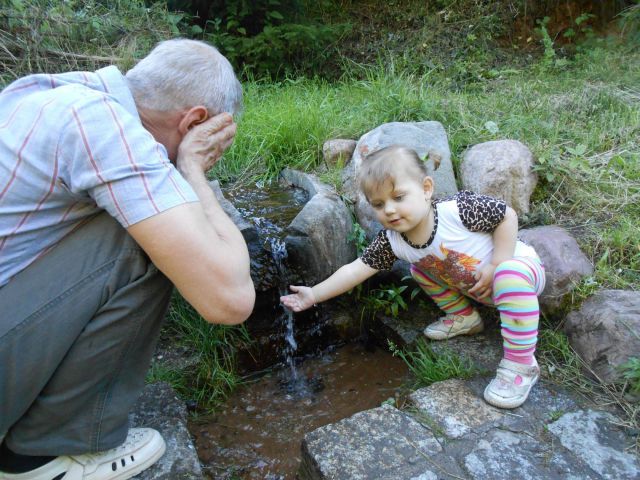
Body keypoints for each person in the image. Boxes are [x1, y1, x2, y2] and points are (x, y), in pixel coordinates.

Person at [0, 39, 255, 479]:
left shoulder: (42, 91)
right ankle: (41, 458)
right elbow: (230, 300)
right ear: (195, 120)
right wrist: (192, 171)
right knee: (151, 237)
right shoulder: (105, 126)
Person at [280, 145, 546, 410]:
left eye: (398, 197)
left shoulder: (458, 210)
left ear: (426, 189)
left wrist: (498, 263)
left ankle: (521, 365)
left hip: (519, 276)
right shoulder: (391, 241)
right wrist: (313, 294)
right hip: (476, 286)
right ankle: (465, 317)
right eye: (379, 204)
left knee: (508, 275)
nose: (390, 210)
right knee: (421, 269)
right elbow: (354, 270)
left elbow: (506, 216)